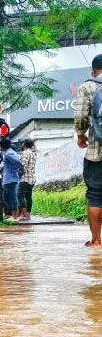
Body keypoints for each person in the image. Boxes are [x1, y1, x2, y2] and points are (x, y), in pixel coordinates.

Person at [75, 54, 102, 248]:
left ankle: (96, 241)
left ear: (93, 71)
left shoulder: (88, 87)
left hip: (97, 152)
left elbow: (81, 117)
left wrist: (80, 135)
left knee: (95, 195)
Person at [0, 138, 23, 221]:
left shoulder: (8, 154)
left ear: (2, 146)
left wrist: (19, 168)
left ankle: (15, 216)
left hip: (10, 179)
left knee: (12, 198)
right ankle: (12, 214)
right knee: (6, 197)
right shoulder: (11, 153)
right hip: (9, 178)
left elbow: (19, 162)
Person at [18, 139, 37, 221]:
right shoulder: (33, 154)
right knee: (28, 197)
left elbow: (23, 167)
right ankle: (28, 214)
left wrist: (18, 173)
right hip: (32, 178)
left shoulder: (25, 153)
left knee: (20, 195)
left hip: (25, 178)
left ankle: (25, 214)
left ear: (24, 144)